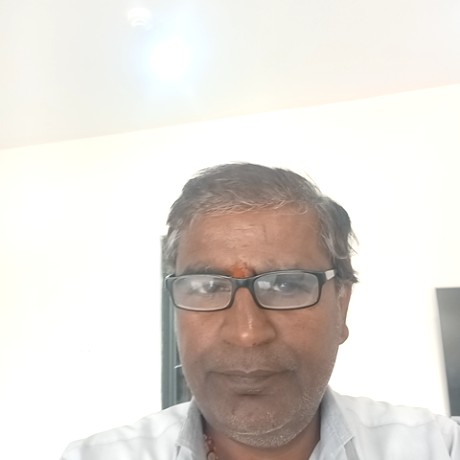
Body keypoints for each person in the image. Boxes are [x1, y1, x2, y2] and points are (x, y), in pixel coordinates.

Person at [61, 162, 460, 460]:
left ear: (341, 306)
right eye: (207, 286)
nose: (247, 333)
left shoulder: (437, 447)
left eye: (286, 285)